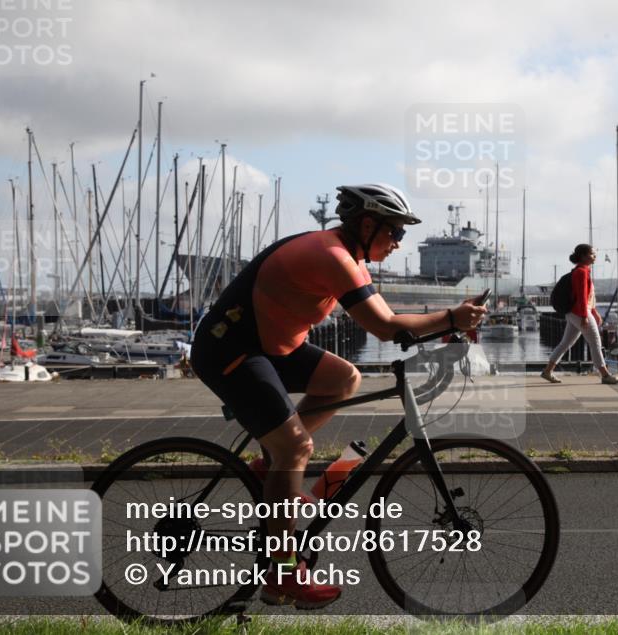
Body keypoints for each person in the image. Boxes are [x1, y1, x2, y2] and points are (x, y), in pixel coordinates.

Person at [190, 183, 487, 609]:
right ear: (366, 224)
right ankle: (284, 569)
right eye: (393, 232)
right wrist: (451, 316)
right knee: (296, 446)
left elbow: (393, 323)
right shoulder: (332, 257)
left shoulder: (349, 257)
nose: (398, 242)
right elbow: (385, 327)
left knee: (344, 378)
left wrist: (449, 326)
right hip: (229, 348)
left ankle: (267, 466)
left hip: (272, 347)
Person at [540, 244, 618, 385]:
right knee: (595, 342)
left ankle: (548, 371)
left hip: (576, 312)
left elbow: (589, 297)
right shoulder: (581, 272)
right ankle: (605, 375)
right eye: (592, 254)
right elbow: (582, 297)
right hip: (579, 312)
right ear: (583, 256)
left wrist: (594, 312)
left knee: (566, 343)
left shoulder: (582, 271)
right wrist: (585, 316)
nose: (594, 256)